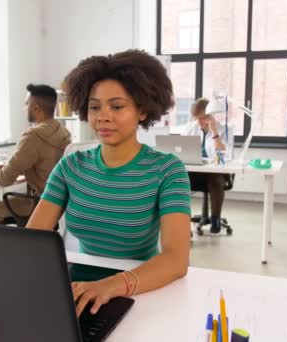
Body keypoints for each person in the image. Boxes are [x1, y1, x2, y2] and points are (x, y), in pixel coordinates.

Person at [26, 50, 191, 317]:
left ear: (142, 110)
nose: (103, 116)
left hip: (143, 285)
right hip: (81, 283)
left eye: (116, 106)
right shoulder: (70, 167)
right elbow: (30, 240)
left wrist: (111, 286)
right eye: (94, 107)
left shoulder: (167, 170)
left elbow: (176, 260)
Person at [0, 84, 71, 224]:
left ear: (36, 108)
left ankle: (7, 246)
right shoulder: (63, 131)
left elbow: (5, 179)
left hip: (41, 202)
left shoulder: (33, 136)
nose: (24, 108)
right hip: (61, 201)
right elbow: (39, 162)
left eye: (26, 104)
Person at [183, 98, 229, 234]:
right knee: (178, 179)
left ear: (210, 116)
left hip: (215, 173)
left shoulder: (223, 129)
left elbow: (222, 158)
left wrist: (214, 132)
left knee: (215, 179)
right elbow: (181, 149)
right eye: (197, 118)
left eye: (203, 118)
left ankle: (215, 219)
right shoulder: (190, 127)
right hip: (195, 172)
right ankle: (184, 221)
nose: (199, 122)